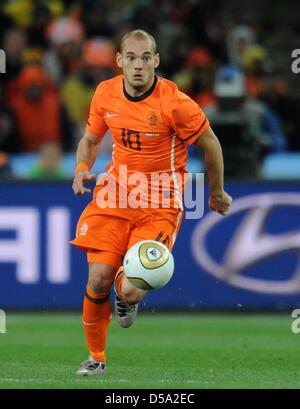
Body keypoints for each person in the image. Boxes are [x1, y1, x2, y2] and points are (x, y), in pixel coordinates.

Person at [70, 29, 232, 376]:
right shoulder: (105, 93)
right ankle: (96, 358)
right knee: (97, 278)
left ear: (156, 61)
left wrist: (216, 193)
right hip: (115, 195)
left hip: (160, 204)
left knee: (132, 285)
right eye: (131, 57)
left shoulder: (175, 103)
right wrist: (82, 168)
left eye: (146, 58)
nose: (138, 65)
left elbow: (211, 144)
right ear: (120, 62)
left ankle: (125, 297)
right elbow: (89, 139)